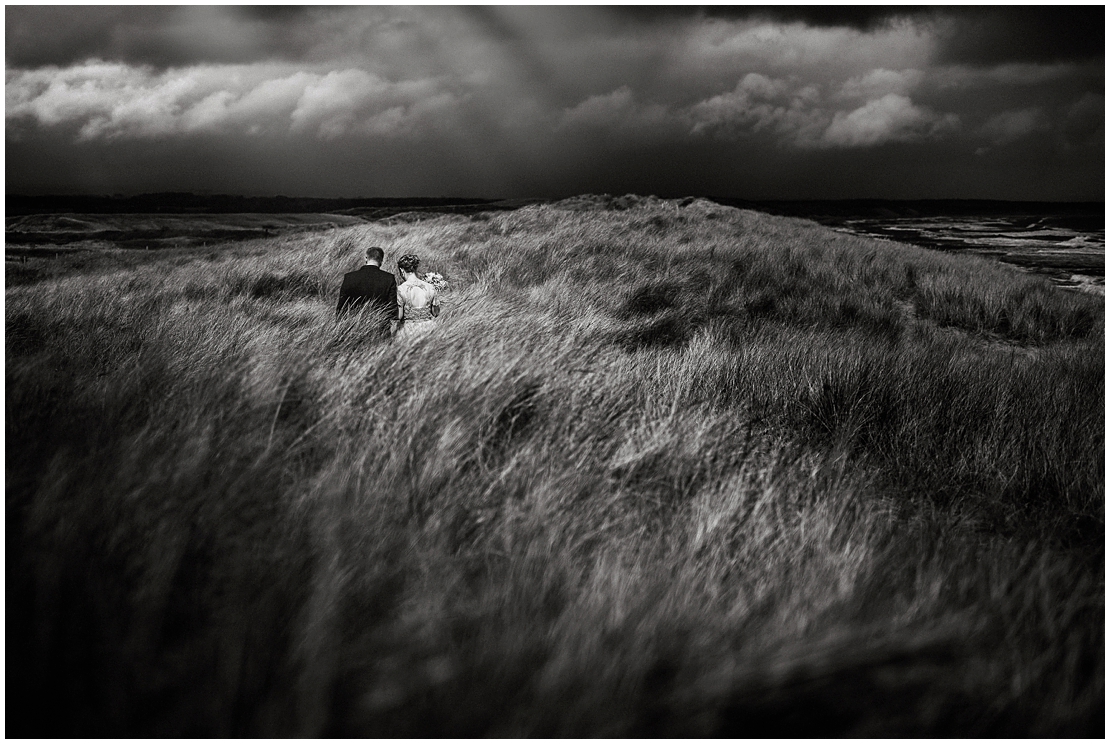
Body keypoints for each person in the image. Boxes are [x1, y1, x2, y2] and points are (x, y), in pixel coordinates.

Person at [336, 245, 397, 340]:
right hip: (379, 330)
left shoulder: (349, 277)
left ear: (366, 258)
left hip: (353, 330)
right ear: (381, 260)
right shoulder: (389, 278)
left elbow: (341, 307)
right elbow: (392, 309)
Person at [395, 253, 440, 341]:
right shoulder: (430, 287)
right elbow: (436, 313)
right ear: (415, 268)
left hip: (408, 331)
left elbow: (399, 316)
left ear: (401, 270)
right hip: (428, 329)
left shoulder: (400, 289)